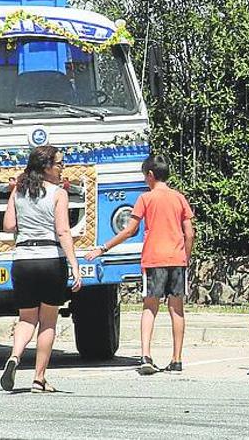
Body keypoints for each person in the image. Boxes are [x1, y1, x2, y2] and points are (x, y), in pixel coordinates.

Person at [85, 155, 194, 374]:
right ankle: (177, 359)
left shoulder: (145, 199)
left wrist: (103, 248)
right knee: (177, 310)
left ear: (151, 175)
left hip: (154, 259)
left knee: (149, 307)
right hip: (176, 259)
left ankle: (146, 355)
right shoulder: (179, 198)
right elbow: (189, 233)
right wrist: (185, 257)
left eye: (145, 176)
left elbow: (129, 230)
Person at [0, 145, 82, 393]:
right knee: (48, 321)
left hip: (23, 260)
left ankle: (15, 356)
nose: (61, 168)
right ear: (47, 167)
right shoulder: (58, 193)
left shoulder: (19, 192)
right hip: (50, 259)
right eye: (59, 164)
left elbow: (8, 225)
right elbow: (63, 231)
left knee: (26, 318)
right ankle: (39, 378)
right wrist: (75, 266)